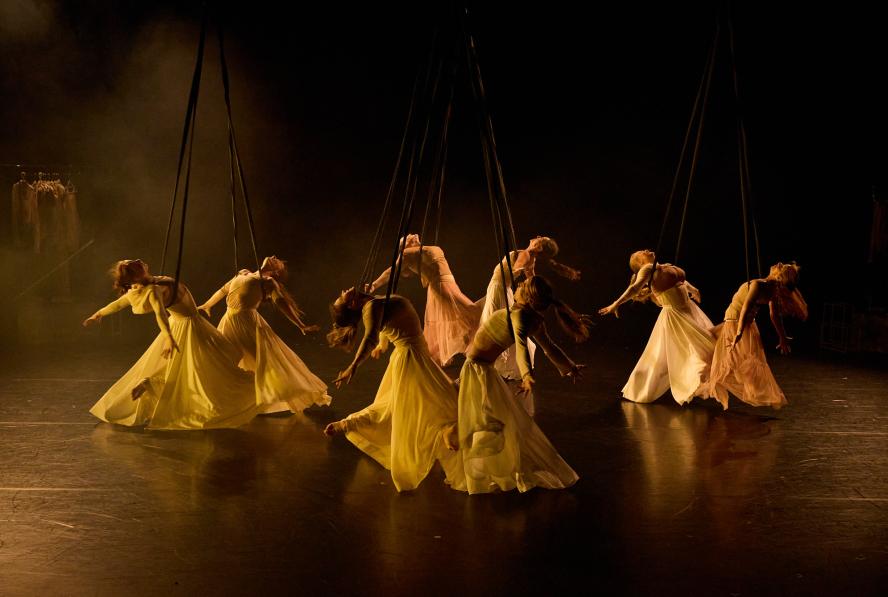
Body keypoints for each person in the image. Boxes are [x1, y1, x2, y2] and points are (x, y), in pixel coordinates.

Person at [83, 259, 260, 429]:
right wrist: (168, 337)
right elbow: (160, 314)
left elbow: (118, 304)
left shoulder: (147, 285)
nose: (138, 260)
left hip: (187, 323)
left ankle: (151, 383)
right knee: (200, 367)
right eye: (135, 264)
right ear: (136, 276)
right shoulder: (153, 290)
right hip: (188, 326)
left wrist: (99, 314)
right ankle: (151, 383)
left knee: (204, 361)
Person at [456, 276, 589, 494]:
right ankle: (478, 452)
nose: (515, 288)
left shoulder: (518, 316)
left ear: (526, 296)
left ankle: (464, 447)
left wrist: (526, 375)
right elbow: (550, 348)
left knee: (480, 417)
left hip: (477, 369)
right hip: (484, 370)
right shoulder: (533, 318)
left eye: (519, 287)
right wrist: (569, 366)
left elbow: (521, 346)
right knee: (488, 417)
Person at [323, 288, 463, 492]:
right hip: (410, 359)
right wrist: (353, 365)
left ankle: (441, 435)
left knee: (424, 405)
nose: (344, 290)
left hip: (416, 356)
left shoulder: (373, 300)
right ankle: (346, 424)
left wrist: (382, 343)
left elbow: (382, 326)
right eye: (342, 294)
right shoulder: (371, 306)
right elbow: (370, 336)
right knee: (399, 408)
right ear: (352, 304)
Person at [198, 256, 330, 414]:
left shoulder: (267, 282)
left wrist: (300, 325)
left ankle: (278, 393)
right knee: (226, 359)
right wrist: (207, 305)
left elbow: (281, 303)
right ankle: (230, 399)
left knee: (264, 362)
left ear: (276, 271)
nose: (274, 257)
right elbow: (224, 290)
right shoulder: (243, 273)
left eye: (279, 260)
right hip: (229, 321)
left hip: (248, 324)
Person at [599, 249, 716, 406]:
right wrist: (615, 303)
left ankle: (696, 377)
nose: (646, 250)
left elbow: (681, 282)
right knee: (692, 350)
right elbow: (634, 288)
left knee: (698, 347)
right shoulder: (648, 269)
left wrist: (693, 289)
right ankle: (694, 379)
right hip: (676, 316)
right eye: (641, 252)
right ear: (640, 262)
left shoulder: (664, 266)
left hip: (690, 311)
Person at [480, 236, 581, 415]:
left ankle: (492, 366)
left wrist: (518, 272)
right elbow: (531, 279)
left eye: (541, 238)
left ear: (539, 247)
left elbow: (518, 274)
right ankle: (496, 365)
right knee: (502, 329)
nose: (537, 236)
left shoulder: (526, 255)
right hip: (505, 288)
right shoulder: (529, 257)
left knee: (496, 328)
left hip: (500, 288)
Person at [367, 234, 481, 367]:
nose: (411, 234)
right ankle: (478, 348)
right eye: (407, 238)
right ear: (406, 246)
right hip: (442, 285)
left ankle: (455, 348)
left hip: (447, 284)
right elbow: (391, 272)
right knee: (473, 313)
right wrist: (374, 284)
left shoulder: (422, 251)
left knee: (461, 318)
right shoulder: (407, 253)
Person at [707, 262, 808, 409]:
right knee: (735, 358)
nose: (778, 262)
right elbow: (755, 310)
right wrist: (739, 333)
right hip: (739, 321)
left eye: (781, 266)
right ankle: (738, 382)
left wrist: (782, 337)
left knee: (745, 361)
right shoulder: (764, 287)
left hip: (743, 322)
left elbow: (766, 313)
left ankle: (752, 388)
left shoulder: (767, 287)